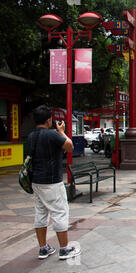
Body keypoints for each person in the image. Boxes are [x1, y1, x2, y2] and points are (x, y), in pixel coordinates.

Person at [27, 105, 80, 260]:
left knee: (40, 214)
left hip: (36, 182)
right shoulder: (52, 134)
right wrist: (62, 131)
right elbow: (69, 147)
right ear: (49, 120)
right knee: (60, 213)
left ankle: (43, 248)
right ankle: (64, 249)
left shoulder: (31, 136)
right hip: (52, 182)